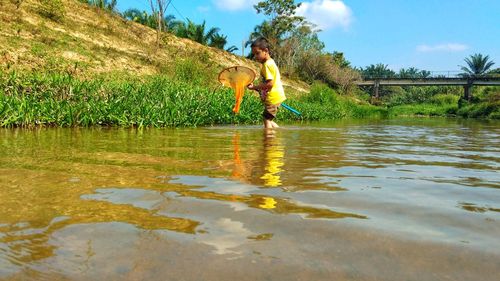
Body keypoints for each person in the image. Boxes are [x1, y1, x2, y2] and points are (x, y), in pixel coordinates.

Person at [247, 38, 286, 129]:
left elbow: (270, 84)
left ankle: (268, 141)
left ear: (266, 51)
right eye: (254, 54)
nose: (256, 56)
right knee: (269, 119)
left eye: (257, 53)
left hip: (273, 97)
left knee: (266, 119)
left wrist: (254, 87)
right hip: (274, 97)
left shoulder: (267, 65)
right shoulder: (271, 62)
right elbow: (267, 84)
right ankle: (278, 132)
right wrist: (257, 88)